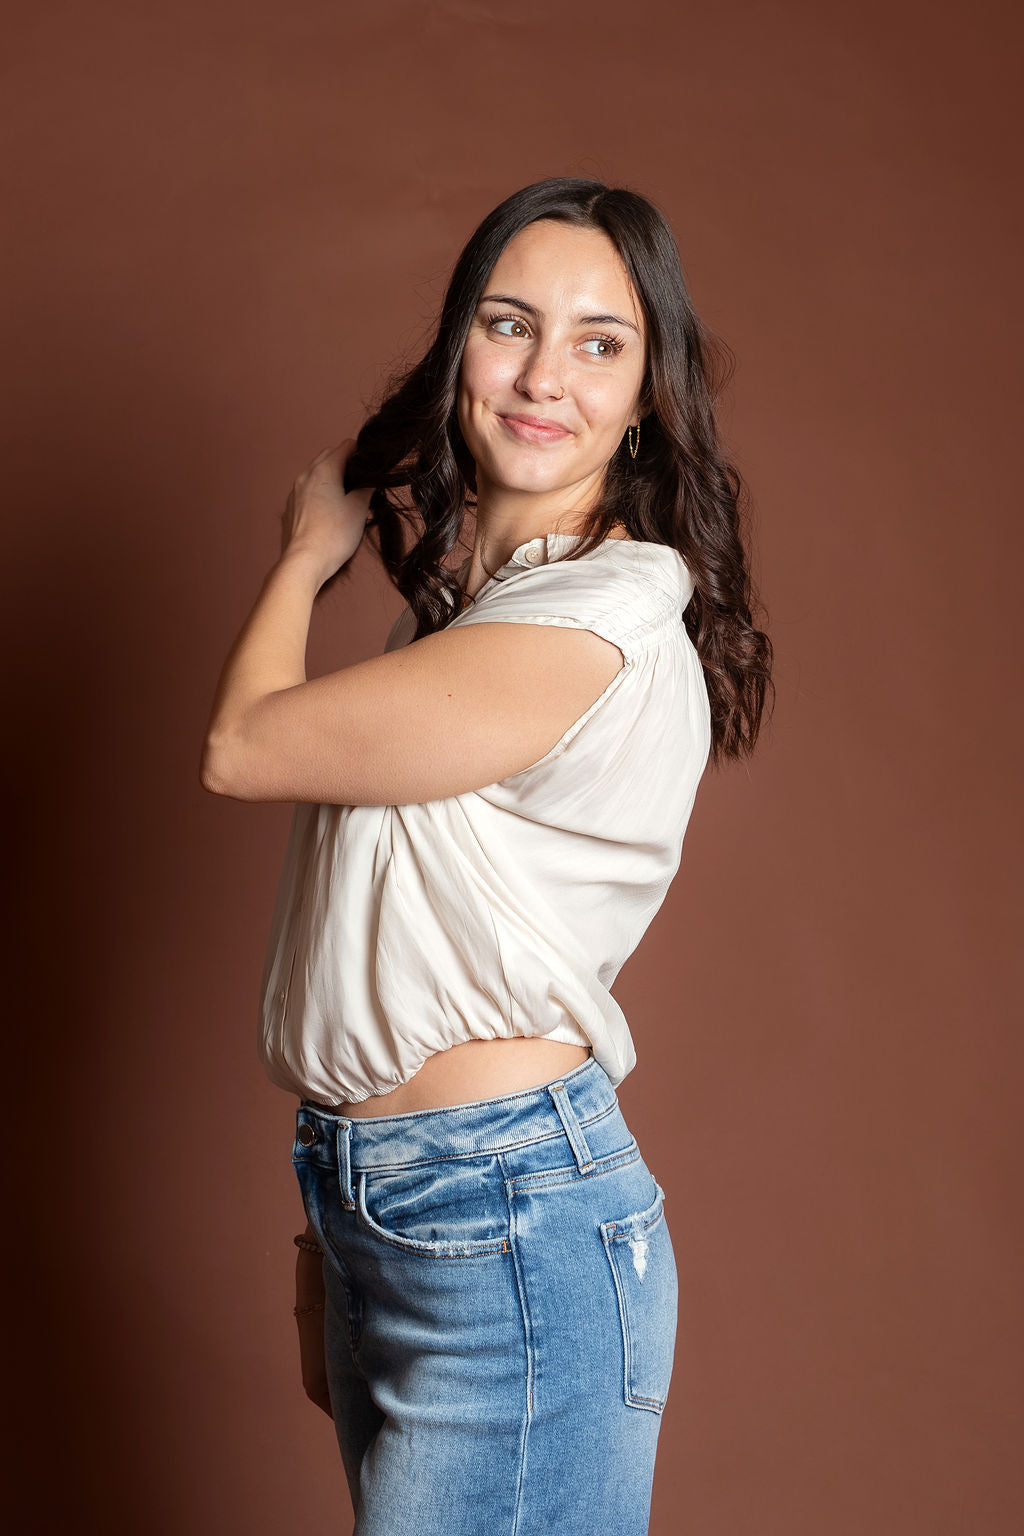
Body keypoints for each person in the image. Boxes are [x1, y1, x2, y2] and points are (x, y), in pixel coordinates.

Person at [200, 176, 773, 1536]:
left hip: (502, 1211)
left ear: (647, 399)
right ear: (459, 344)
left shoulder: (592, 619)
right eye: (510, 324)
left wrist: (306, 555)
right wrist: (340, 1234)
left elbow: (243, 746)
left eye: (599, 342)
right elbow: (380, 921)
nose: (542, 375)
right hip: (398, 1204)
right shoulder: (473, 614)